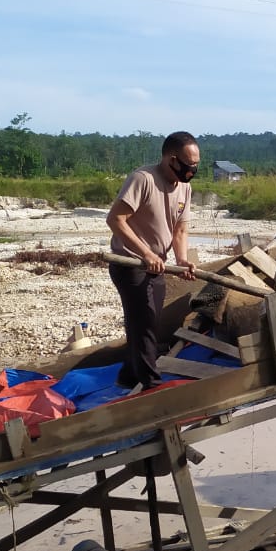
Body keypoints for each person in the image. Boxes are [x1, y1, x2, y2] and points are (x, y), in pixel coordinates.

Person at [106, 131, 198, 390]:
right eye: (188, 165)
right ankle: (152, 386)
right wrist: (145, 253)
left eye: (196, 166)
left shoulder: (185, 188)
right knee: (145, 324)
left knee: (147, 323)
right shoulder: (143, 179)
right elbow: (115, 219)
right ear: (172, 159)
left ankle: (127, 376)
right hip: (131, 264)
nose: (192, 171)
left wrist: (181, 259)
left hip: (157, 265)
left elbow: (180, 229)